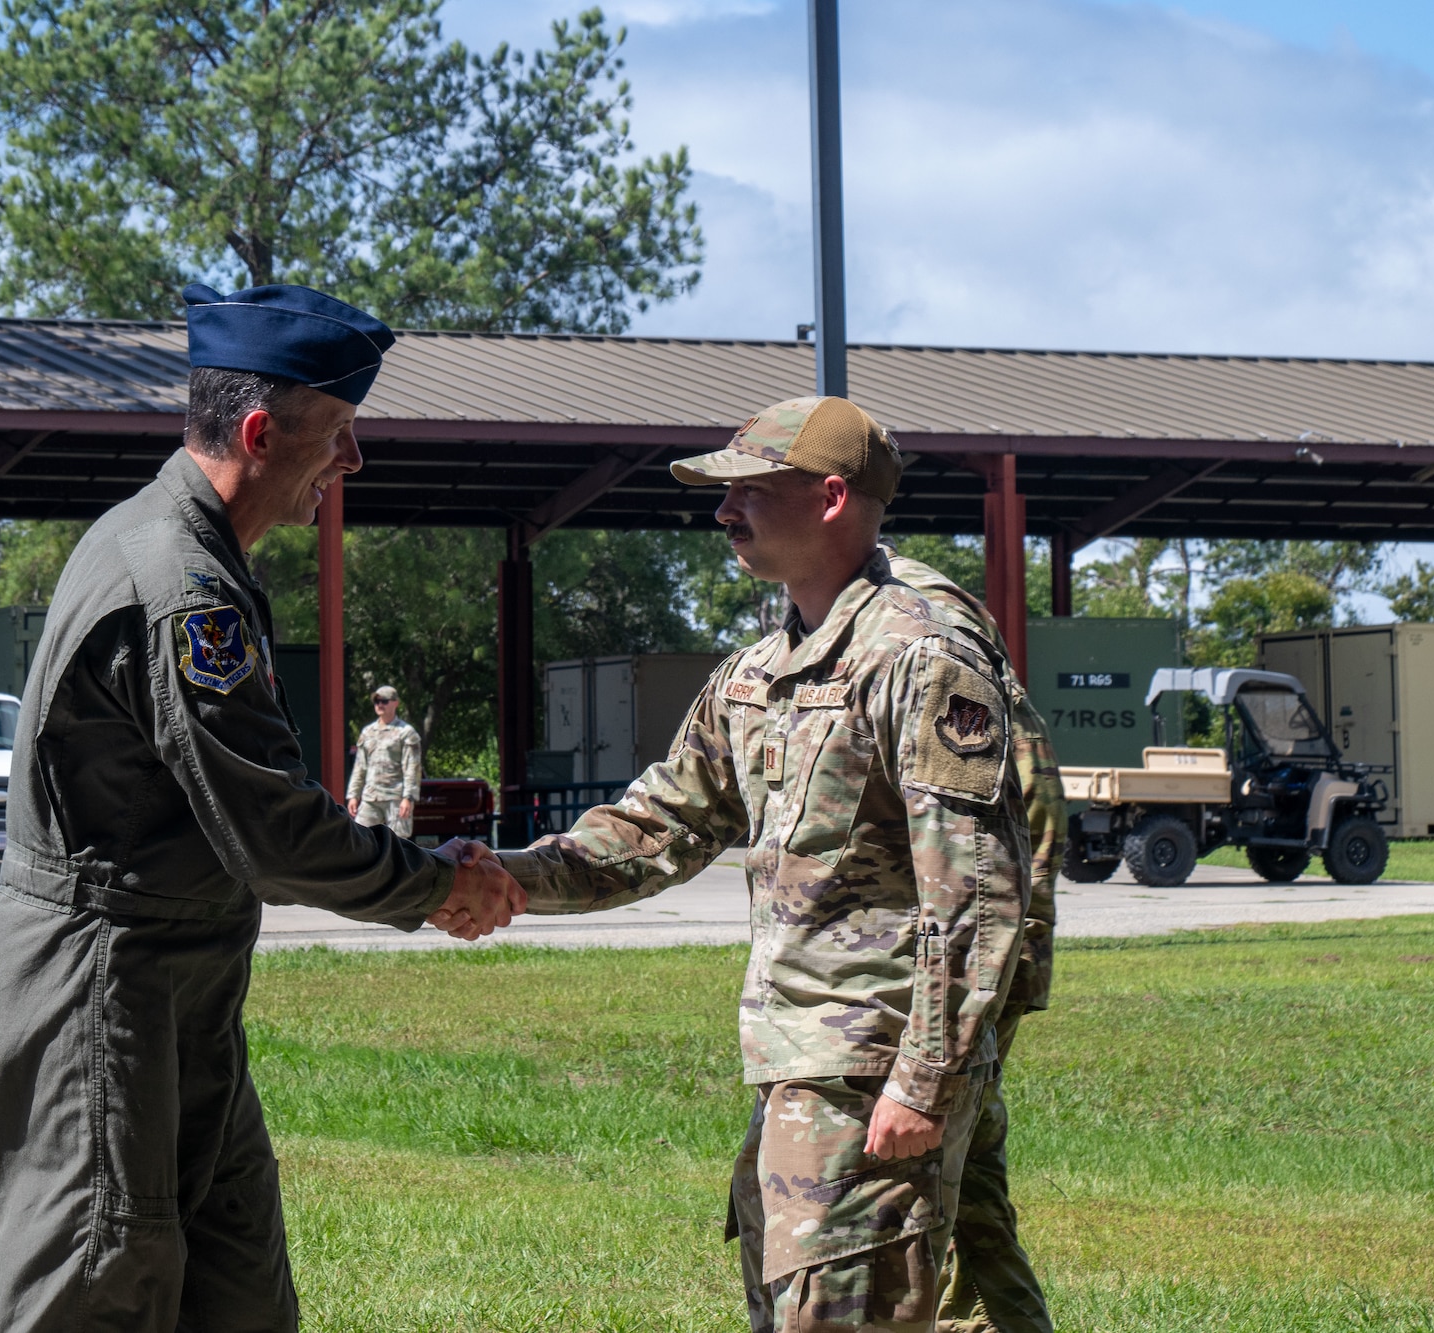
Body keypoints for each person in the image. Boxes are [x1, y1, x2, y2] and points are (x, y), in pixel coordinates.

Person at [0, 281, 524, 1333]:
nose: (351, 464)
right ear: (261, 431)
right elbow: (271, 831)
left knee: (239, 1301)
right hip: (103, 999)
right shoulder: (179, 583)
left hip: (177, 998)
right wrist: (435, 885)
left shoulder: (196, 557)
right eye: (339, 435)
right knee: (97, 1297)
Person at [479, 396, 1033, 1333]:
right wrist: (502, 874)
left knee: (836, 1306)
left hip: (873, 1061)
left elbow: (977, 890)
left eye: (747, 490)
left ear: (830, 497)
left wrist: (924, 1078)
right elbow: (660, 825)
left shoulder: (919, 653)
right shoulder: (760, 671)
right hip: (815, 1054)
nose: (723, 511)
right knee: (970, 1300)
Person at [885, 550, 1060, 1333]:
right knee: (976, 1186)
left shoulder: (927, 643)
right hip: (989, 960)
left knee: (944, 1186)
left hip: (968, 967)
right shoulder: (975, 658)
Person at [345, 685, 423, 836]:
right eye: (376, 701)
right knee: (360, 837)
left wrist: (408, 798)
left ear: (395, 703)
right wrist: (353, 795)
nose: (380, 705)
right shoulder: (368, 732)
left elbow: (412, 767)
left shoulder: (406, 733)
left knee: (399, 844)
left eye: (384, 701)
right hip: (371, 796)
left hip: (396, 797)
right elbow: (360, 767)